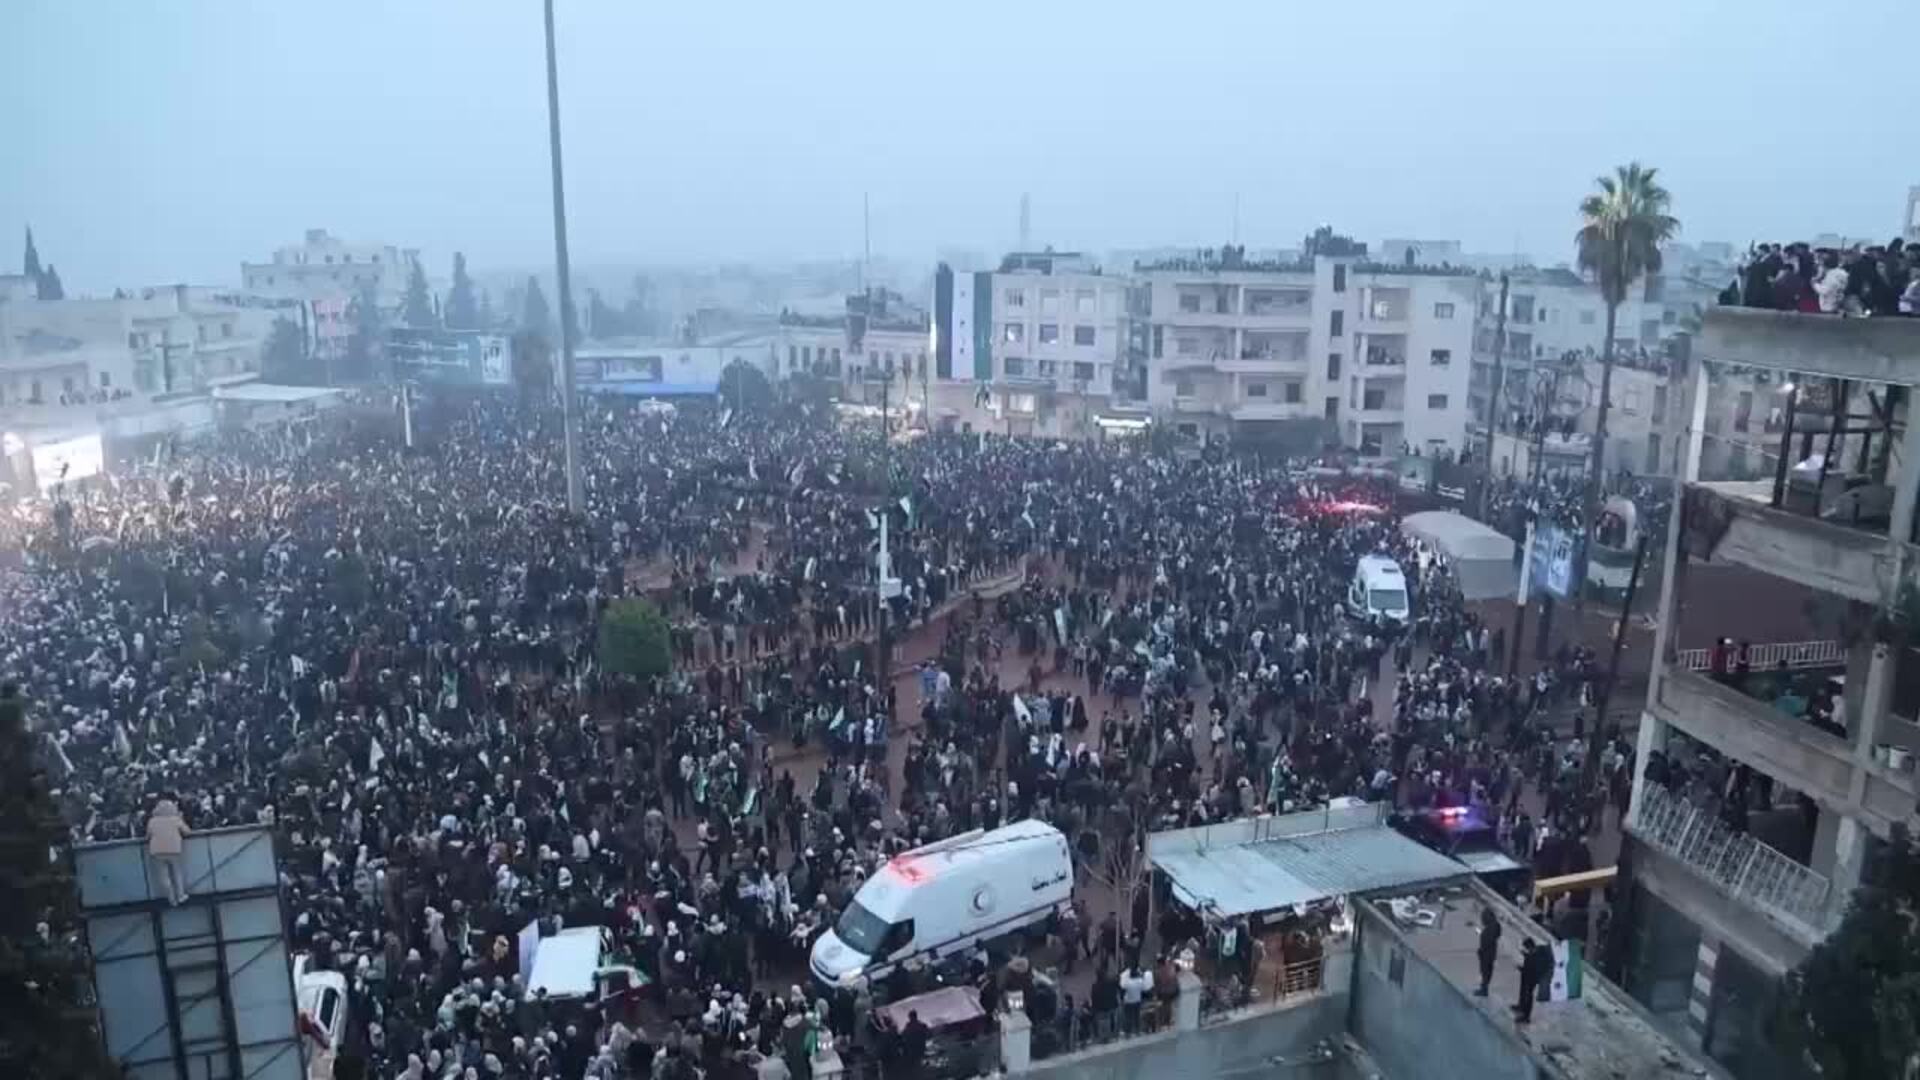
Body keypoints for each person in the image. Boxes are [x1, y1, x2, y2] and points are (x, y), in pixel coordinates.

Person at [146, 797, 191, 905]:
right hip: (174, 849)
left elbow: (147, 836)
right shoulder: (175, 819)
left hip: (157, 851)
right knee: (177, 873)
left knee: (164, 876)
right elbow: (187, 832)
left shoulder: (152, 821)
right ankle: (180, 895)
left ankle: (171, 899)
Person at [1513, 938, 1553, 1024]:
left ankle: (1526, 1016)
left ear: (1530, 946)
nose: (1526, 950)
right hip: (1527, 977)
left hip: (1531, 979)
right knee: (1523, 993)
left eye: (1526, 948)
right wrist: (1525, 955)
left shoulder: (1537, 956)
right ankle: (1521, 1007)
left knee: (1528, 996)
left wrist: (1521, 969)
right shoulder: (1535, 952)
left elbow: (1532, 969)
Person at [1474, 906, 1501, 997]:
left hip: (1487, 954)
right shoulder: (1494, 926)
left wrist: (1481, 950)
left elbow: (1487, 941)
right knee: (1486, 971)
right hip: (1489, 953)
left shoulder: (1491, 928)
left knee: (1485, 971)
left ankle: (1484, 989)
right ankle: (1484, 988)